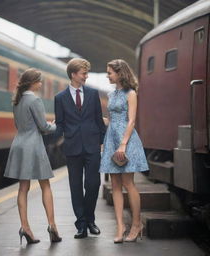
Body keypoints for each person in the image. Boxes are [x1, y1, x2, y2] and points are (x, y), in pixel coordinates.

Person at [4, 68, 62, 244]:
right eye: (39, 80)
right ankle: (52, 226)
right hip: (33, 146)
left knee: (23, 188)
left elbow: (19, 124)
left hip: (19, 144)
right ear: (32, 82)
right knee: (45, 186)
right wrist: (57, 126)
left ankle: (25, 228)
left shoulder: (17, 100)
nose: (41, 83)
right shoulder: (34, 99)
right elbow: (43, 127)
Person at [54, 58, 106, 239]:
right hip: (72, 147)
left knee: (93, 184)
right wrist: (46, 136)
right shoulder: (59, 98)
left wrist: (105, 141)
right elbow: (59, 124)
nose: (86, 76)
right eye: (84, 73)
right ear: (74, 74)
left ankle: (91, 220)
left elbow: (99, 120)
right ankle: (81, 224)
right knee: (75, 187)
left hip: (92, 146)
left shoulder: (93, 93)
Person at [100, 59, 148, 243]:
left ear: (120, 73)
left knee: (128, 183)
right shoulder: (111, 94)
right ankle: (120, 226)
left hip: (126, 141)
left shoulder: (131, 93)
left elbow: (131, 121)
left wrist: (123, 144)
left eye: (110, 72)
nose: (107, 75)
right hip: (112, 139)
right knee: (115, 185)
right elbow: (113, 121)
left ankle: (137, 224)